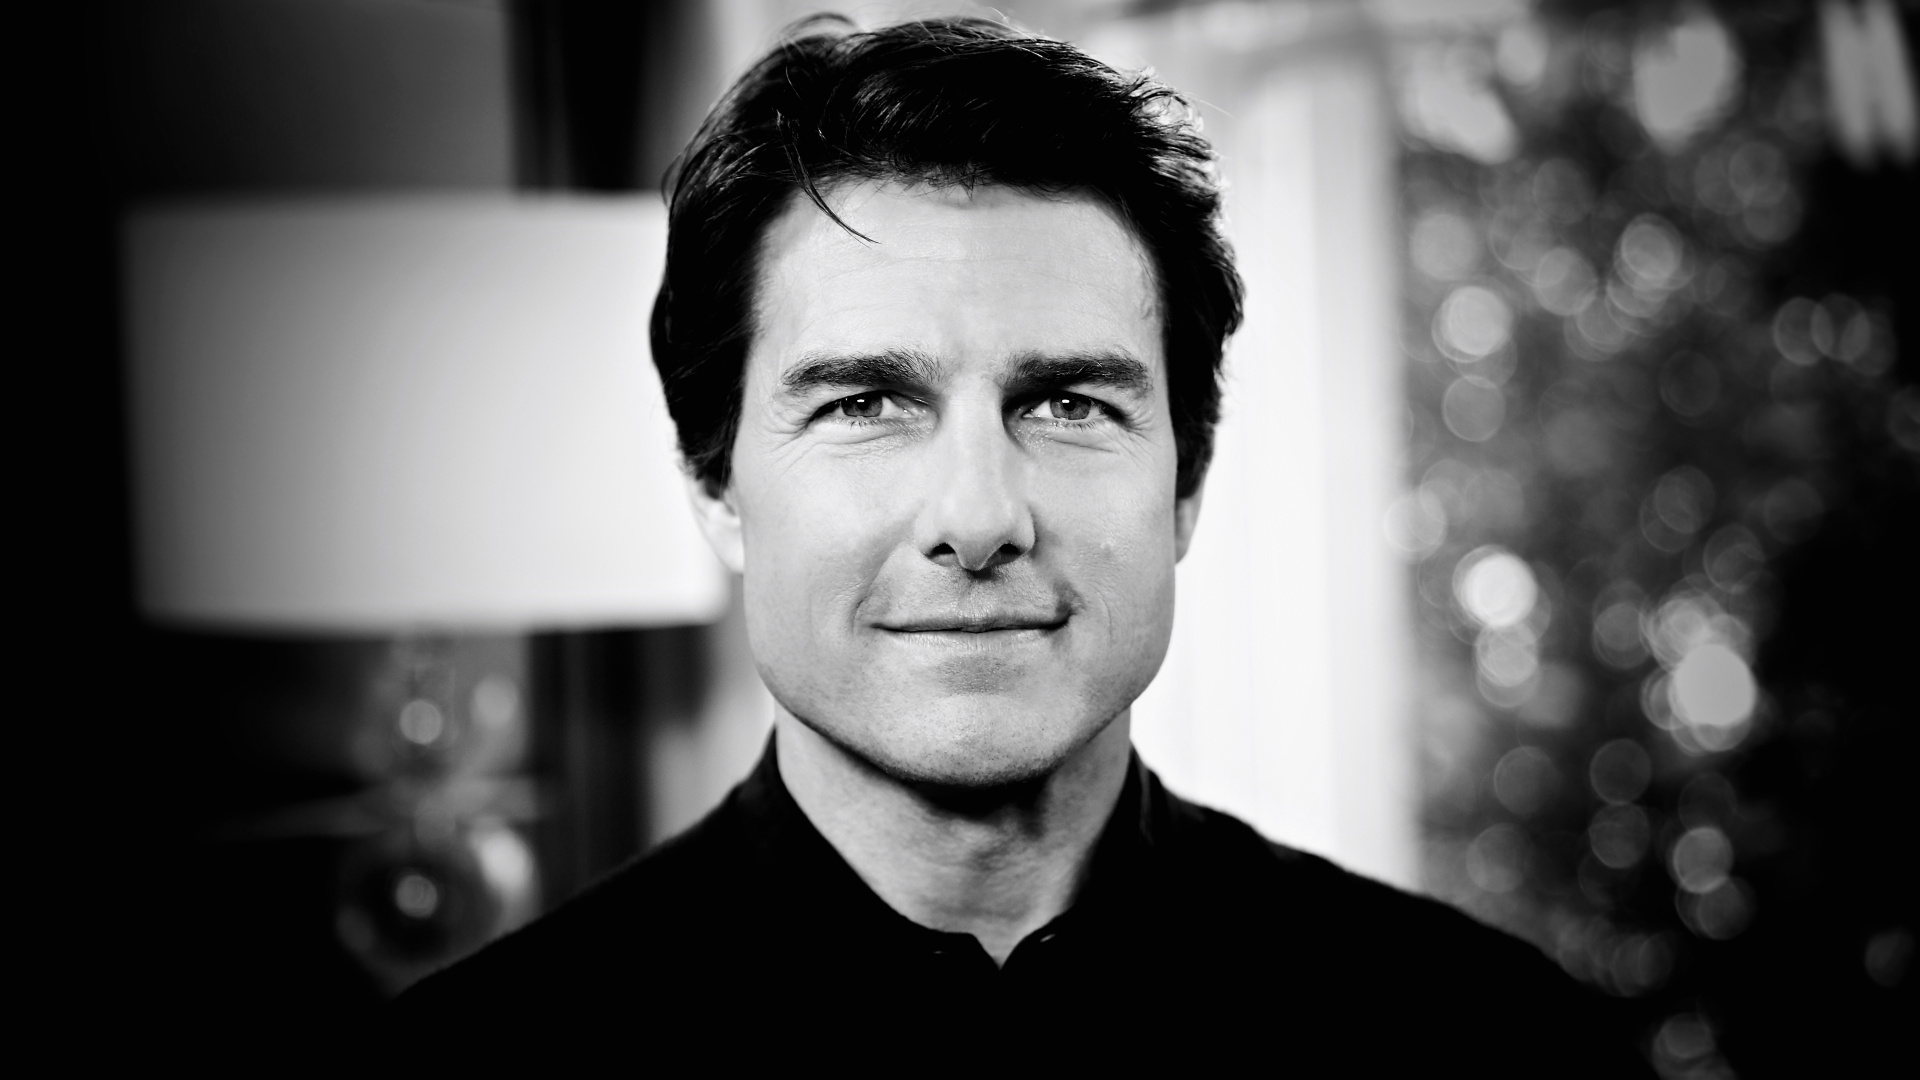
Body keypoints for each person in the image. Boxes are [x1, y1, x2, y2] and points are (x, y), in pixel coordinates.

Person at [393, 16, 1650, 1074]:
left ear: (1186, 489)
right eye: (865, 404)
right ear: (715, 489)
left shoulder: (1504, 1039)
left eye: (1067, 404)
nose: (980, 516)